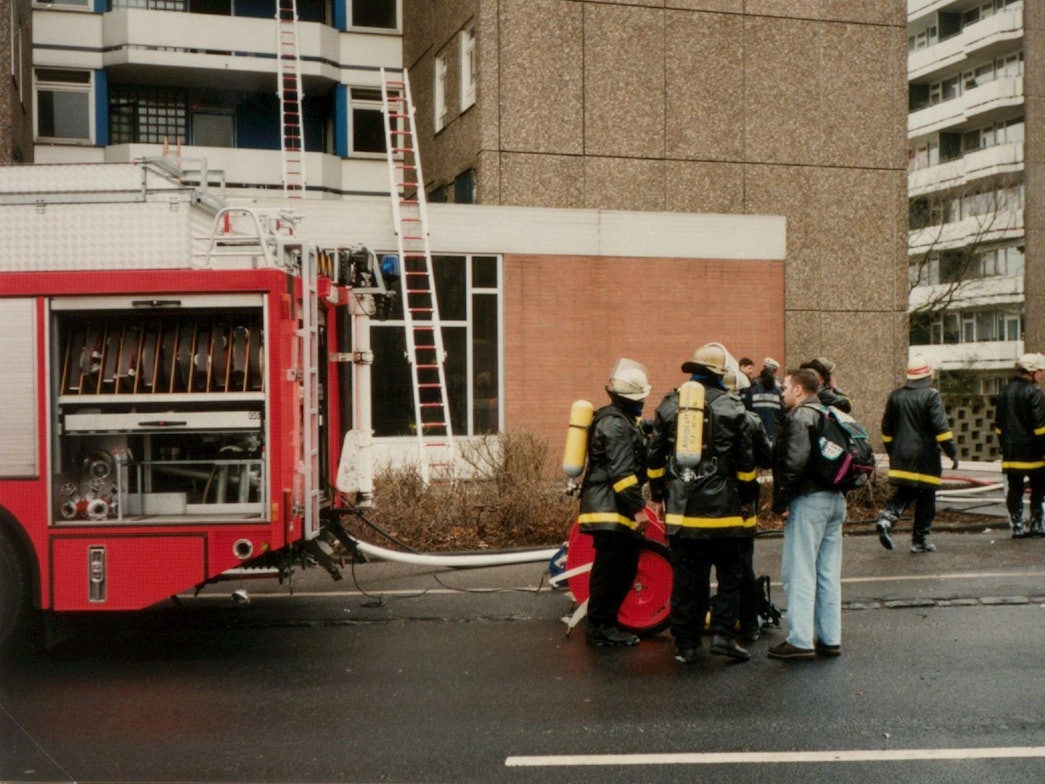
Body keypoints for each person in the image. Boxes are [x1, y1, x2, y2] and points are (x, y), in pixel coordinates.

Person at [648, 344, 757, 665]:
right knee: (730, 576)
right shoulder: (733, 406)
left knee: (687, 581)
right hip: (725, 512)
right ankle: (723, 635)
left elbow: (653, 459)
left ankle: (687, 645)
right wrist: (747, 500)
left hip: (682, 512)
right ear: (721, 374)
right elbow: (746, 463)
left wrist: (657, 496)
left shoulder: (670, 406)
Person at [768, 367, 846, 660]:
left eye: (786, 387)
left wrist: (781, 502)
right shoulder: (829, 413)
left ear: (799, 390)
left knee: (799, 570)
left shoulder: (801, 416)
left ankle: (800, 640)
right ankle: (830, 638)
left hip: (809, 500)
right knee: (827, 572)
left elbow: (793, 463)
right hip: (835, 501)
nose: (783, 392)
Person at [577, 358, 653, 647]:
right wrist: (637, 509)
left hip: (607, 507)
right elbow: (621, 473)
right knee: (613, 570)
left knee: (617, 566)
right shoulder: (616, 425)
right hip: (610, 509)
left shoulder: (616, 420)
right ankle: (600, 629)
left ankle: (603, 625)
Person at [875, 355, 958, 554]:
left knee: (905, 491)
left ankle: (887, 518)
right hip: (925, 458)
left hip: (901, 455)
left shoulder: (895, 396)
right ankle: (919, 540)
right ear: (928, 374)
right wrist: (952, 453)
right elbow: (941, 429)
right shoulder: (931, 395)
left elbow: (886, 429)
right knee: (927, 497)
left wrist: (893, 452)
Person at [726, 369, 772, 641]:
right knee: (742, 566)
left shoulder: (696, 420)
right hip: (743, 507)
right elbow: (766, 460)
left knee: (699, 569)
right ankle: (749, 624)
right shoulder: (750, 420)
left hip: (702, 508)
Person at [994, 353, 1045, 539]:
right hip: (1033, 452)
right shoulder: (1035, 392)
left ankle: (1017, 526)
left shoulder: (1004, 390)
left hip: (1011, 453)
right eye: (1040, 371)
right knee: (1038, 489)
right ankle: (1037, 524)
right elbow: (1040, 427)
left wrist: (1004, 446)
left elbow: (998, 425)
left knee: (1015, 489)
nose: (1042, 374)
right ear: (1031, 371)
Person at [747, 357, 784, 442]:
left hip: (756, 430)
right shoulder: (778, 390)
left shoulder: (753, 388)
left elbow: (748, 409)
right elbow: (782, 413)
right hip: (774, 431)